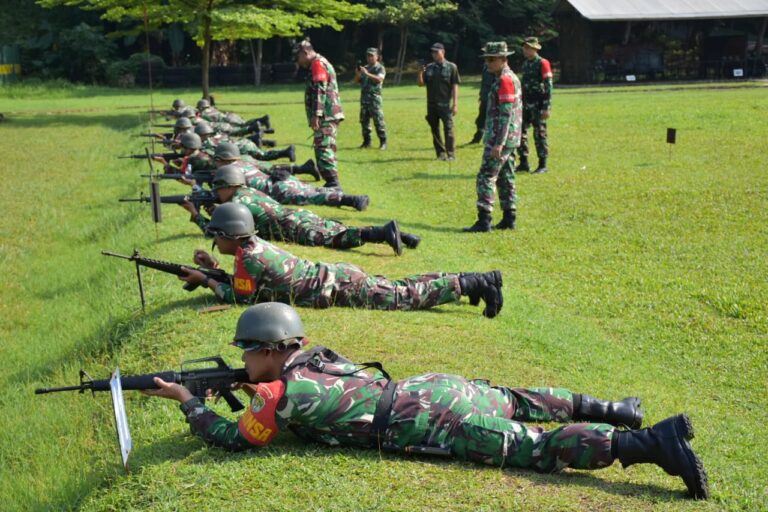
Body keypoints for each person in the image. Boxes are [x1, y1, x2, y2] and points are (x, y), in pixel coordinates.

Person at [142, 302, 709, 500]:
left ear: (268, 351)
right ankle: (615, 410)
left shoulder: (278, 394)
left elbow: (233, 438)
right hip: (431, 387)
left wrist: (188, 400)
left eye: (246, 353)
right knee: (517, 400)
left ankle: (650, 443)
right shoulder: (313, 357)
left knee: (535, 448)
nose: (242, 361)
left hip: (429, 422)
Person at [178, 203, 503, 317]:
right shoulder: (251, 248)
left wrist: (206, 280)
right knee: (400, 287)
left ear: (231, 236)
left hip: (339, 287)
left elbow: (241, 297)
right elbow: (247, 284)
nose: (215, 241)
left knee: (403, 297)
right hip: (338, 278)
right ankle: (477, 280)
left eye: (217, 236)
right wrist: (213, 269)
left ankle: (472, 283)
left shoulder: (248, 259)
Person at [181, 165, 421, 255]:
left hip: (293, 226)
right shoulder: (249, 192)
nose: (217, 193)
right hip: (297, 216)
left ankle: (384, 232)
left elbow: (218, 232)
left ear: (227, 187)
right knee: (340, 229)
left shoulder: (236, 204)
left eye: (218, 189)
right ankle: (404, 236)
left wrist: (195, 215)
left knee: (339, 238)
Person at [463, 42, 521, 233]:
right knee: (506, 176)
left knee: (486, 176)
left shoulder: (505, 80)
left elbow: (506, 114)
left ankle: (484, 220)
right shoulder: (508, 78)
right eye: (486, 59)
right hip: (509, 138)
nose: (488, 63)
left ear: (504, 59)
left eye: (492, 59)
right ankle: (509, 217)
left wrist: (499, 144)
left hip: (500, 139)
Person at [212, 143, 368, 211]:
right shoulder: (244, 160)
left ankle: (352, 200)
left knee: (312, 197)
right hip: (281, 178)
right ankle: (338, 192)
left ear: (220, 159)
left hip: (275, 190)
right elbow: (268, 166)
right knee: (312, 190)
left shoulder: (228, 172)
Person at [294, 39, 344, 189]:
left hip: (326, 114)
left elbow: (319, 90)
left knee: (323, 147)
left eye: (298, 57)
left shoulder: (317, 64)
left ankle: (333, 183)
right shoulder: (320, 62)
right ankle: (331, 182)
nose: (298, 61)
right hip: (329, 113)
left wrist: (317, 114)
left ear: (305, 52)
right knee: (326, 146)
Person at [417, 42, 460, 161]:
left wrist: (455, 104)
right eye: (433, 52)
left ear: (443, 52)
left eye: (436, 52)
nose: (434, 54)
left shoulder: (451, 67)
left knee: (449, 129)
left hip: (445, 105)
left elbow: (455, 85)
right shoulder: (429, 67)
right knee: (435, 130)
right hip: (431, 105)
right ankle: (440, 154)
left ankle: (450, 154)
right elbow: (420, 84)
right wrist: (420, 72)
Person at [517, 37, 553, 174]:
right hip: (525, 103)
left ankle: (542, 164)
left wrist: (546, 107)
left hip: (538, 104)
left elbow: (548, 86)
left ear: (535, 49)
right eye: (524, 47)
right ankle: (523, 162)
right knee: (520, 132)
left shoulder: (542, 63)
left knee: (539, 134)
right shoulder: (526, 63)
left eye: (528, 48)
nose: (525, 50)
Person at [355, 48, 387, 150]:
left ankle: (383, 142)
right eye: (368, 56)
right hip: (364, 99)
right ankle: (366, 142)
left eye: (372, 56)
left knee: (378, 121)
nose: (369, 58)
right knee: (364, 121)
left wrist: (367, 73)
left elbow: (379, 79)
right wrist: (358, 74)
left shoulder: (380, 68)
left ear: (377, 57)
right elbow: (357, 81)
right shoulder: (364, 68)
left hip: (374, 99)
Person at [468, 63, 495, 144]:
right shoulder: (485, 67)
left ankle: (492, 140)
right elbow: (484, 83)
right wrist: (481, 95)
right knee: (480, 120)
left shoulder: (495, 66)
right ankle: (477, 138)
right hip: (485, 97)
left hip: (492, 98)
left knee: (492, 120)